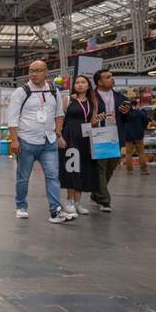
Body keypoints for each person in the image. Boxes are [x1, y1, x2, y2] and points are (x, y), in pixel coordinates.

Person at [7, 61, 69, 223]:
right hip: (26, 141)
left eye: (38, 71)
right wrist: (14, 140)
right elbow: (12, 118)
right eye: (31, 71)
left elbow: (59, 114)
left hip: (49, 142)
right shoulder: (21, 92)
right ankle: (21, 206)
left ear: (46, 72)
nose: (34, 74)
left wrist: (58, 131)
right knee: (23, 177)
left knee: (53, 176)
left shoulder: (54, 91)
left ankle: (55, 211)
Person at [60, 74, 99, 218]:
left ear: (88, 85)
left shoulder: (92, 102)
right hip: (70, 136)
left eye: (83, 82)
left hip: (85, 137)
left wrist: (98, 120)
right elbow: (59, 118)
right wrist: (60, 136)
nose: (80, 85)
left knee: (83, 169)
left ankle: (78, 202)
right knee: (72, 168)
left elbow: (92, 121)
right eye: (77, 83)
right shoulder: (68, 99)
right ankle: (69, 201)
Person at [90, 68, 129, 211]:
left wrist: (127, 113)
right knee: (100, 167)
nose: (111, 79)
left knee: (111, 166)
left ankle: (96, 192)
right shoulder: (91, 97)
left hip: (115, 135)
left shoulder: (120, 97)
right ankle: (104, 200)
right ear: (99, 82)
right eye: (107, 77)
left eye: (111, 76)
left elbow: (127, 118)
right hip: (99, 133)